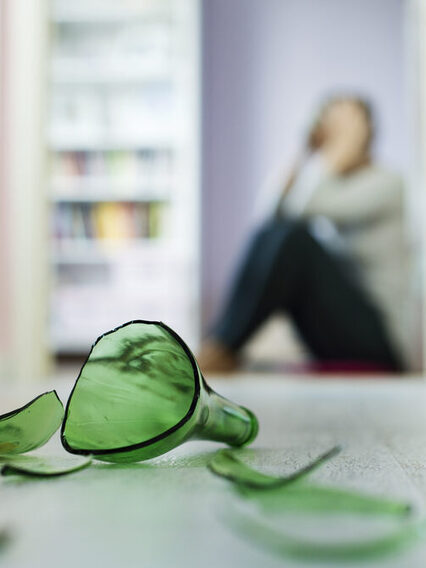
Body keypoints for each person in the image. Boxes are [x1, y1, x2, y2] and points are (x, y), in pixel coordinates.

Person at [198, 95, 410, 374]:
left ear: (365, 131)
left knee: (297, 240)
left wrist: (332, 154)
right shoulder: (324, 183)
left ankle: (223, 349)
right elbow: (269, 218)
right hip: (333, 328)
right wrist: (302, 152)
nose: (336, 132)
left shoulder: (388, 183)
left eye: (345, 125)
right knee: (279, 233)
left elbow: (302, 209)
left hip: (380, 341)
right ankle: (218, 344)